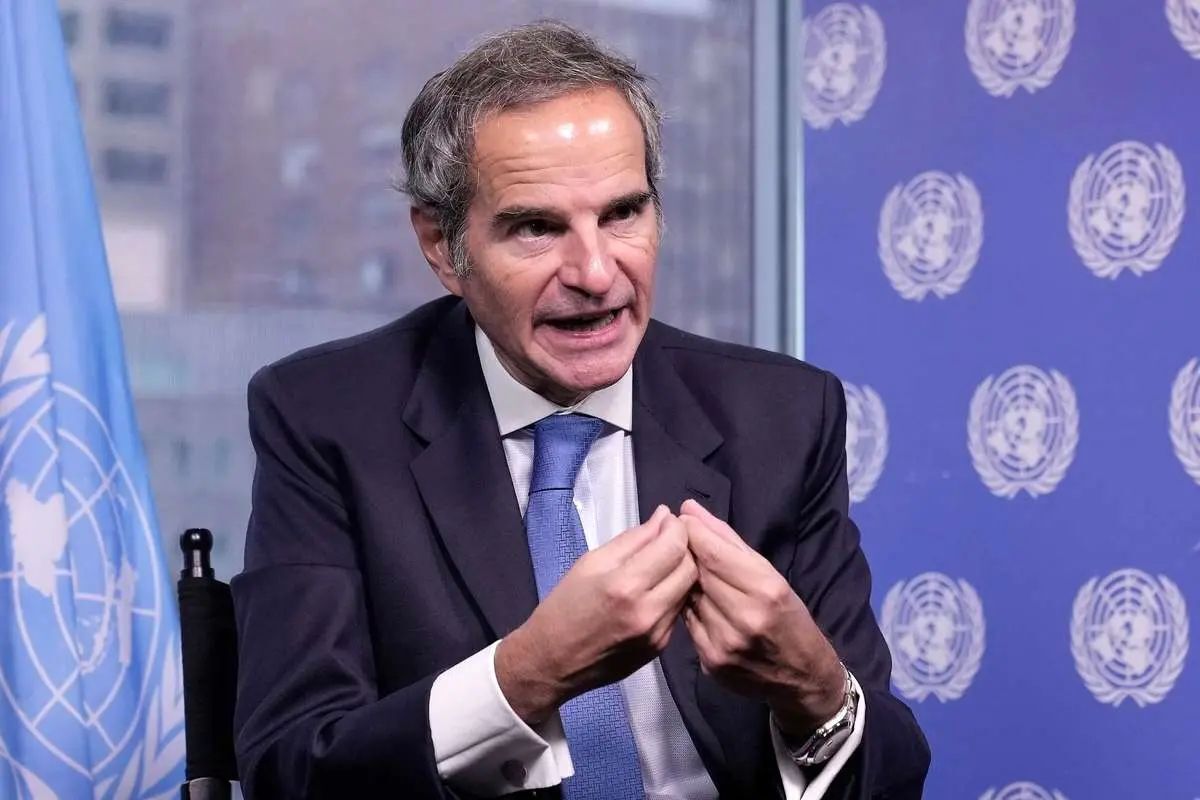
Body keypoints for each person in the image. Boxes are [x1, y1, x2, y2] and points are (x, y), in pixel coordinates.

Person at [232, 20, 930, 800]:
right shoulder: (324, 419)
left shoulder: (782, 416)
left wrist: (817, 691)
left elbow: (893, 776)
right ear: (440, 246)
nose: (596, 273)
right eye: (537, 227)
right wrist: (528, 674)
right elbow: (291, 770)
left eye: (623, 213)